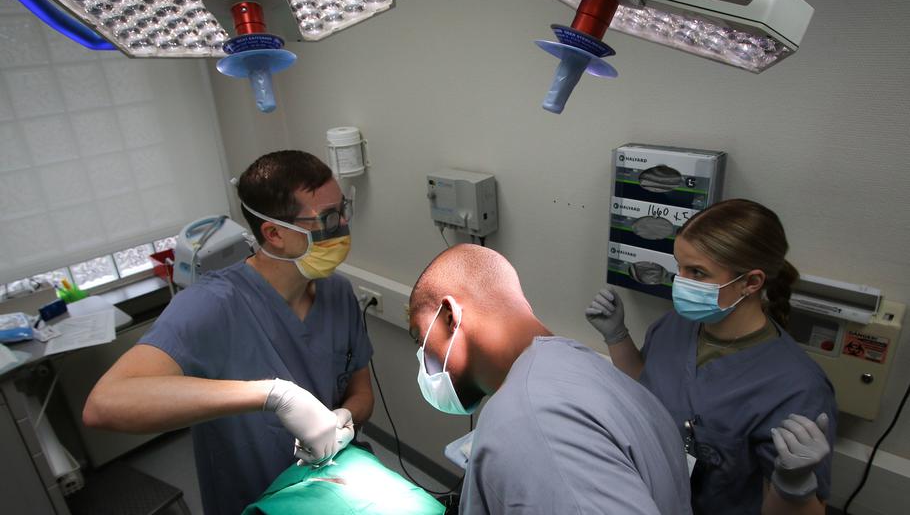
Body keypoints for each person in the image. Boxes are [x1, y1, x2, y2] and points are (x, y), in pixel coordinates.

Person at [83, 150, 374, 514]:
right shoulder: (213, 304)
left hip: (334, 487)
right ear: (274, 233)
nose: (343, 224)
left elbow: (361, 391)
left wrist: (346, 419)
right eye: (328, 218)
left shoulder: (338, 293)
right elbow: (105, 403)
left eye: (342, 209)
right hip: (260, 498)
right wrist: (273, 395)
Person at [585, 198, 836, 515]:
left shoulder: (797, 388)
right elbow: (646, 388)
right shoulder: (675, 326)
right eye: (680, 267)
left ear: (750, 282)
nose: (681, 282)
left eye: (697, 272)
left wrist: (793, 484)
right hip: (646, 496)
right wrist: (617, 336)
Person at [408, 244, 692, 515]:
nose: (422, 355)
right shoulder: (587, 369)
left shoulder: (528, 417)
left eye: (419, 337)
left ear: (449, 316)